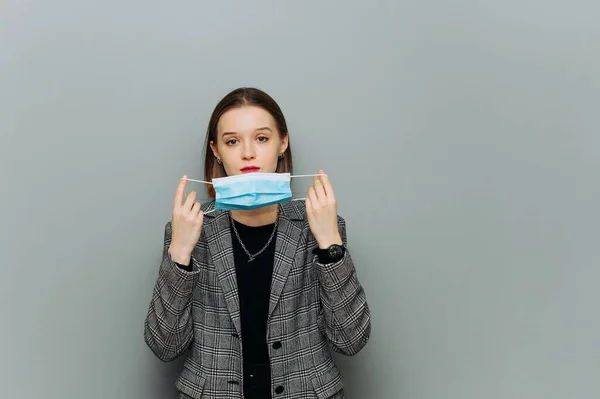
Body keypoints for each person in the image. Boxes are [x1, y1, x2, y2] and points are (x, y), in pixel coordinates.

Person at [144, 87, 371, 399]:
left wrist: (330, 244)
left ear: (282, 143)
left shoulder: (319, 227)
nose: (247, 153)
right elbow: (165, 346)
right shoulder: (190, 230)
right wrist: (180, 254)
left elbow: (351, 339)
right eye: (232, 141)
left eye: (261, 138)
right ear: (216, 151)